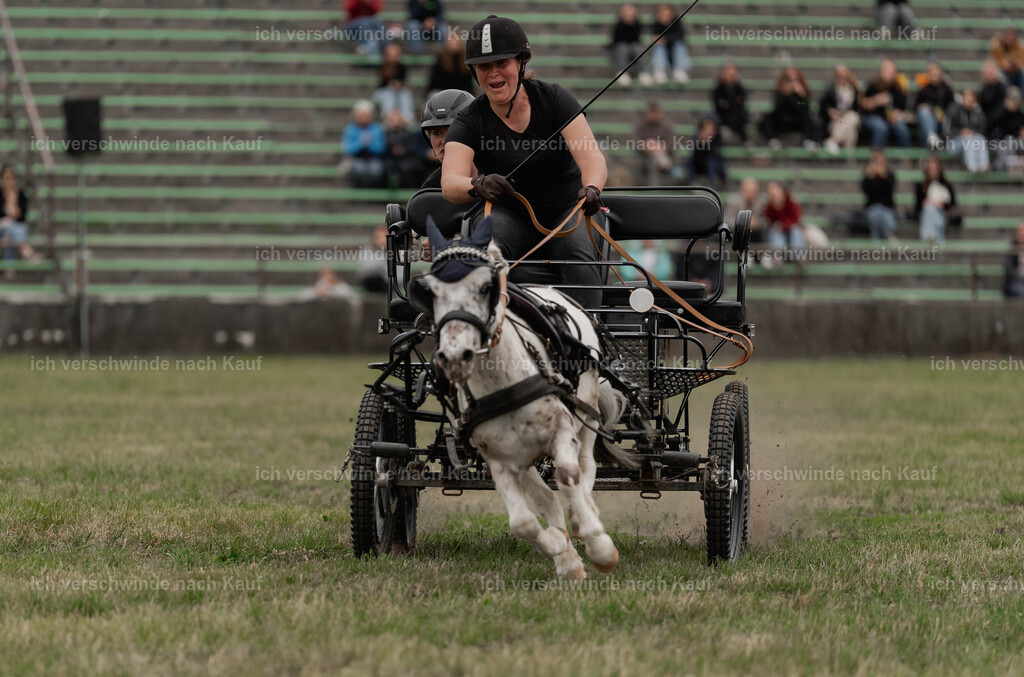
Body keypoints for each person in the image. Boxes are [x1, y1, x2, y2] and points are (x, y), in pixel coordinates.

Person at [442, 15, 608, 307]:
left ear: (521, 63)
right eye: (484, 66)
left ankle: (589, 341)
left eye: (502, 63)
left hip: (567, 209)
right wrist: (477, 184)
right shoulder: (469, 120)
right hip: (508, 214)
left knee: (577, 252)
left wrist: (592, 188)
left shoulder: (554, 99)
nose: (493, 74)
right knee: (487, 251)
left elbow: (592, 158)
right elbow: (450, 183)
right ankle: (493, 333)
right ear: (473, 72)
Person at [419, 88, 475, 189]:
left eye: (454, 131)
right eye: (436, 133)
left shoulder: (503, 174)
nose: (445, 141)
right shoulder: (430, 188)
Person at [760, 67, 817, 150]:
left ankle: (808, 141)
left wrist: (801, 94)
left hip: (797, 121)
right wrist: (785, 93)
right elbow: (776, 107)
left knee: (809, 116)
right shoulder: (780, 90)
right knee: (767, 117)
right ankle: (773, 140)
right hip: (783, 120)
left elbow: (806, 107)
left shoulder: (803, 90)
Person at [860, 58, 911, 148]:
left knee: (901, 127)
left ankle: (906, 157)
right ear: (881, 72)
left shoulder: (898, 89)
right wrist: (876, 100)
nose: (889, 74)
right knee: (880, 127)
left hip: (891, 120)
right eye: (886, 71)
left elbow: (901, 109)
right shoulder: (873, 85)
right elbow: (862, 104)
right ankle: (876, 158)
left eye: (891, 72)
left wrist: (896, 114)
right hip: (873, 118)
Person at [0, 164, 40, 275]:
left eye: (11, 178)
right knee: (7, 226)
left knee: (8, 234)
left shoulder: (21, 194)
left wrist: (12, 213)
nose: (9, 181)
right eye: (6, 178)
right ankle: (26, 250)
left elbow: (22, 216)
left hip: (14, 228)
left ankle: (9, 270)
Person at [341, 100, 386, 188]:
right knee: (358, 168)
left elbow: (380, 148)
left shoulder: (377, 128)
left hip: (373, 158)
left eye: (366, 116)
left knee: (376, 169)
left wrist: (369, 144)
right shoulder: (350, 129)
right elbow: (347, 149)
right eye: (361, 116)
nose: (364, 118)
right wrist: (361, 143)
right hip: (356, 158)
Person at [633, 102, 680, 185]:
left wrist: (660, 147)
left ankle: (654, 190)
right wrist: (646, 146)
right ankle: (664, 164)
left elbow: (672, 142)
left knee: (654, 159)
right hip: (644, 159)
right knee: (652, 160)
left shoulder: (667, 126)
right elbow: (635, 142)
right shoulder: (640, 126)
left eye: (655, 112)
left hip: (664, 154)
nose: (653, 115)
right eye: (651, 112)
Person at [819, 64, 862, 155]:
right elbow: (823, 105)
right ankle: (849, 157)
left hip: (848, 119)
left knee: (853, 117)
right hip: (835, 121)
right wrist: (830, 111)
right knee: (851, 130)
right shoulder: (831, 89)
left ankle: (833, 140)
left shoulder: (853, 89)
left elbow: (857, 109)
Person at [914, 155, 957, 243]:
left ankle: (928, 236)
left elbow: (952, 203)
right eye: (931, 168)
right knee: (929, 210)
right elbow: (917, 206)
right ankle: (938, 241)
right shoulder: (921, 186)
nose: (933, 171)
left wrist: (941, 204)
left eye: (935, 168)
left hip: (942, 214)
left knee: (933, 212)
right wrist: (926, 202)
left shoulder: (946, 185)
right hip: (926, 215)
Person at [945, 89, 990, 173]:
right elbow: (947, 130)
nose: (969, 99)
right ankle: (971, 165)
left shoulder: (977, 112)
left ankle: (984, 165)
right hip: (953, 144)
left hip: (972, 141)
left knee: (980, 137)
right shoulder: (954, 109)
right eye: (966, 97)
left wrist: (973, 132)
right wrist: (961, 132)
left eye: (972, 97)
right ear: (962, 98)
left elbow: (983, 128)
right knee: (968, 138)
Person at [913, 62, 956, 149]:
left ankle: (930, 141)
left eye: (936, 74)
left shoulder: (946, 89)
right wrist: (925, 106)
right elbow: (915, 106)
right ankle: (931, 136)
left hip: (942, 120)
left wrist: (942, 112)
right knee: (923, 113)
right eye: (932, 74)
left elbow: (952, 105)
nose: (934, 77)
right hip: (927, 119)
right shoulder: (924, 89)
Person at [383, 110, 430, 188]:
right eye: (393, 120)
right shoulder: (385, 134)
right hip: (389, 159)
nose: (396, 123)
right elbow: (383, 147)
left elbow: (412, 147)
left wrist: (404, 150)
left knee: (410, 168)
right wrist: (392, 150)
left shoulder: (408, 133)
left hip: (406, 159)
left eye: (398, 120)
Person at [764, 181, 806, 264]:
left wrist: (784, 225)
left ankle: (798, 256)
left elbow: (796, 220)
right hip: (780, 233)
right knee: (776, 228)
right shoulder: (770, 207)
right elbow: (770, 221)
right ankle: (778, 256)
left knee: (795, 230)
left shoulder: (792, 203)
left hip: (791, 231)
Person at [610, 4, 652, 87]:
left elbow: (636, 38)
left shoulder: (637, 25)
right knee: (623, 47)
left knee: (637, 47)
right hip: (621, 50)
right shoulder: (618, 25)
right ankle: (622, 72)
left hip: (633, 49)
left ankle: (642, 72)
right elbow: (617, 40)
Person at [862, 150, 899, 241]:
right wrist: (870, 177)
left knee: (882, 214)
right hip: (872, 210)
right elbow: (867, 192)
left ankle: (877, 240)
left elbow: (889, 192)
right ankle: (888, 233)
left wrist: (883, 176)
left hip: (887, 209)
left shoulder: (890, 176)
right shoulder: (867, 177)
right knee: (876, 213)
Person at [649, 4, 690, 85]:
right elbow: (655, 36)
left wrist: (665, 39)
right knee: (659, 46)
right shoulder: (656, 24)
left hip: (674, 51)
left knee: (679, 45)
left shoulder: (676, 22)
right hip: (663, 53)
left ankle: (680, 69)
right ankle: (659, 70)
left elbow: (680, 35)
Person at [373, 43, 415, 121]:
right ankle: (387, 118)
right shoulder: (382, 66)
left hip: (398, 93)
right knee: (389, 94)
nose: (393, 57)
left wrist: (399, 85)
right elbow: (382, 84)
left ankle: (407, 118)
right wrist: (391, 85)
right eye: (390, 55)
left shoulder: (402, 67)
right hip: (383, 93)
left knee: (405, 93)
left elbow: (404, 82)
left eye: (395, 55)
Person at [988, 86, 1024, 171]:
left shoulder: (1020, 115)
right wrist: (1006, 110)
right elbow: (990, 126)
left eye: (1017, 100)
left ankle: (1003, 168)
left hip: (1014, 142)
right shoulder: (999, 112)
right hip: (996, 142)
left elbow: (1020, 131)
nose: (1015, 103)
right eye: (1012, 100)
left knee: (1010, 141)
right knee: (1007, 142)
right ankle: (1001, 168)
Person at [712, 62, 749, 144]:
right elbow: (719, 106)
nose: (730, 75)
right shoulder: (719, 89)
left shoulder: (739, 89)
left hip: (737, 122)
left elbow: (740, 104)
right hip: (723, 121)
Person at [724, 177, 767, 247]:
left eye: (754, 191)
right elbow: (728, 220)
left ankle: (759, 255)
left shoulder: (761, 202)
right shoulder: (733, 201)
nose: (752, 194)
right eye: (749, 191)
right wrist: (744, 224)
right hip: (738, 232)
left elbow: (765, 220)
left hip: (756, 233)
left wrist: (757, 222)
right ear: (742, 190)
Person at [686, 116, 726, 188]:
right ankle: (692, 184)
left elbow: (716, 154)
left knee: (711, 161)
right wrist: (701, 143)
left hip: (715, 164)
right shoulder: (698, 137)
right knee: (689, 162)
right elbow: (695, 155)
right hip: (701, 164)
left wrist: (708, 142)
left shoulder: (717, 138)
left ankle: (712, 184)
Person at [1003, 221, 1024, 298]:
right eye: (1022, 233)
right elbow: (1009, 268)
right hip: (1015, 282)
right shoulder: (1013, 247)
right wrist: (1020, 278)